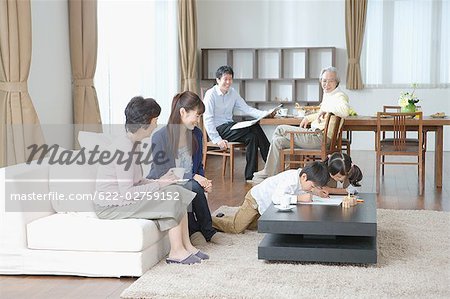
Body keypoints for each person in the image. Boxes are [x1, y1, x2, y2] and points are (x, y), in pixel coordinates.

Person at [95, 96, 208, 265]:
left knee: (178, 190)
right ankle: (176, 252)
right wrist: (158, 185)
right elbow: (127, 194)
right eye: (154, 120)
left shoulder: (133, 143)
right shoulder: (124, 148)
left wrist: (161, 182)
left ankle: (187, 246)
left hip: (122, 199)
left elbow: (137, 181)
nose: (156, 125)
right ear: (144, 123)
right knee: (172, 196)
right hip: (110, 206)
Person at [147, 91, 232, 246]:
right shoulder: (160, 137)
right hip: (164, 184)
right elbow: (163, 172)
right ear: (182, 112)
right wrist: (194, 177)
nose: (198, 121)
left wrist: (204, 180)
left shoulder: (197, 135)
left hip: (187, 182)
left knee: (194, 186)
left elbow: (198, 165)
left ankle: (200, 231)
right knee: (192, 185)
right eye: (197, 115)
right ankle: (204, 231)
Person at [252, 66, 350, 184]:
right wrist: (308, 117)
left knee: (280, 129)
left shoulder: (339, 96)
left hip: (318, 137)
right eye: (324, 81)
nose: (326, 84)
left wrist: (326, 108)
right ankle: (272, 174)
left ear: (337, 82)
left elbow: (345, 111)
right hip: (315, 135)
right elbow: (321, 113)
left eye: (330, 81)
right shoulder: (328, 95)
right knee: (278, 140)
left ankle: (270, 173)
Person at [212, 161, 330, 234]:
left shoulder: (302, 179)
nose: (311, 189)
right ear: (304, 177)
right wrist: (300, 199)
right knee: (237, 227)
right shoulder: (291, 180)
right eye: (312, 186)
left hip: (265, 207)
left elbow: (305, 189)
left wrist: (317, 192)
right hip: (255, 201)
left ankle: (229, 216)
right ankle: (209, 221)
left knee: (252, 225)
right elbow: (277, 198)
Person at [203, 65, 274, 181]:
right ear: (218, 80)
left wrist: (265, 113)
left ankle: (250, 176)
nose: (228, 82)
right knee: (255, 128)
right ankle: (271, 163)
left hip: (230, 126)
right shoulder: (210, 95)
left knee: (252, 137)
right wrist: (217, 139)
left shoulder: (232, 92)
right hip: (219, 130)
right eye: (225, 79)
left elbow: (246, 109)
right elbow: (207, 119)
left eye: (230, 79)